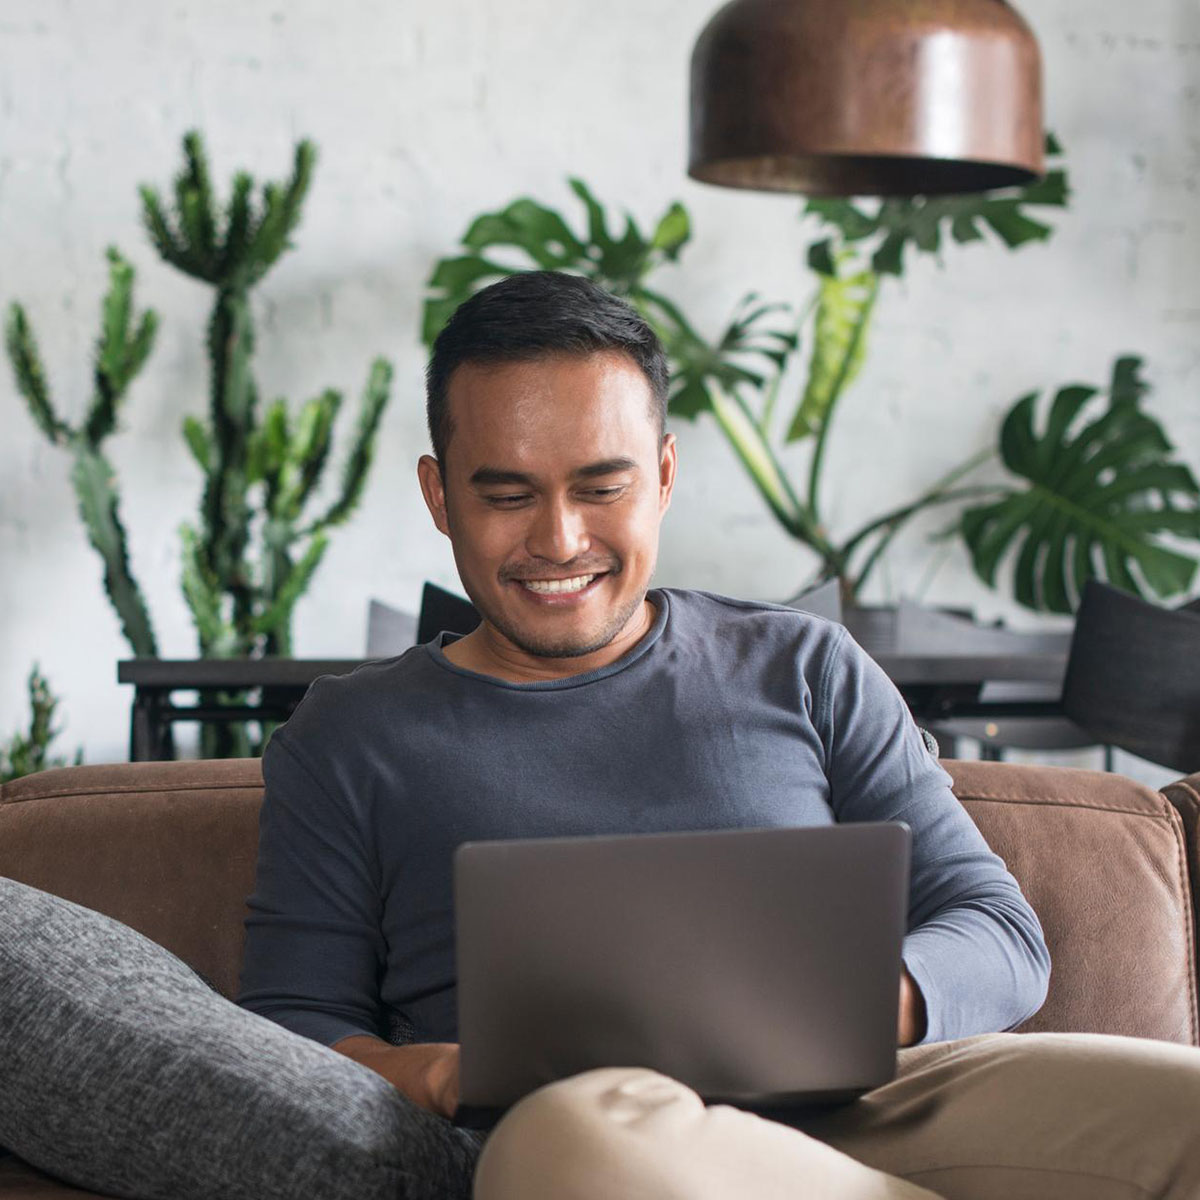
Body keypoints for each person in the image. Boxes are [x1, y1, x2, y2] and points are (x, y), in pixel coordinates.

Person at [231, 270, 1200, 1200]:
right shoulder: (350, 736)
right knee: (569, 1142)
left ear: (662, 473)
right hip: (599, 1139)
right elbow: (292, 1029)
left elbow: (997, 933)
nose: (560, 540)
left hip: (878, 1104)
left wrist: (854, 1008)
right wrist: (441, 1073)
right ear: (441, 497)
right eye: (508, 495)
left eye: (601, 488)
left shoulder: (804, 666)